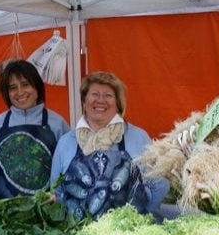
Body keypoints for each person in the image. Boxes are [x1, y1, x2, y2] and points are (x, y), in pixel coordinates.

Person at [50, 71, 168, 219]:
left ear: (118, 103)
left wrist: (142, 218)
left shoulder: (138, 137)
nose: (100, 100)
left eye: (108, 95)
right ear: (84, 101)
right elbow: (56, 191)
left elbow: (160, 185)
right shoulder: (67, 142)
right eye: (94, 94)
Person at [0, 59, 70, 198]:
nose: (20, 92)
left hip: (46, 213)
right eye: (13, 87)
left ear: (37, 89)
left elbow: (69, 171)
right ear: (7, 93)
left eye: (25, 85)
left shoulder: (58, 124)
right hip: (3, 213)